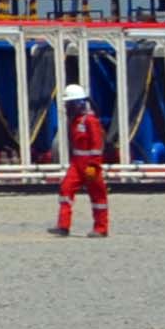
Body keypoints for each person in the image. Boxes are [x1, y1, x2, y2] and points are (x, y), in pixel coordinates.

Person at [51, 78, 114, 238]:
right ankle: (63, 226)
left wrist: (94, 166)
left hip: (90, 165)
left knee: (98, 196)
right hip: (77, 164)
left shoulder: (90, 121)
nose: (66, 107)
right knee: (66, 189)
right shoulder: (75, 122)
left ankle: (101, 228)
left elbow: (97, 145)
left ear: (78, 103)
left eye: (69, 104)